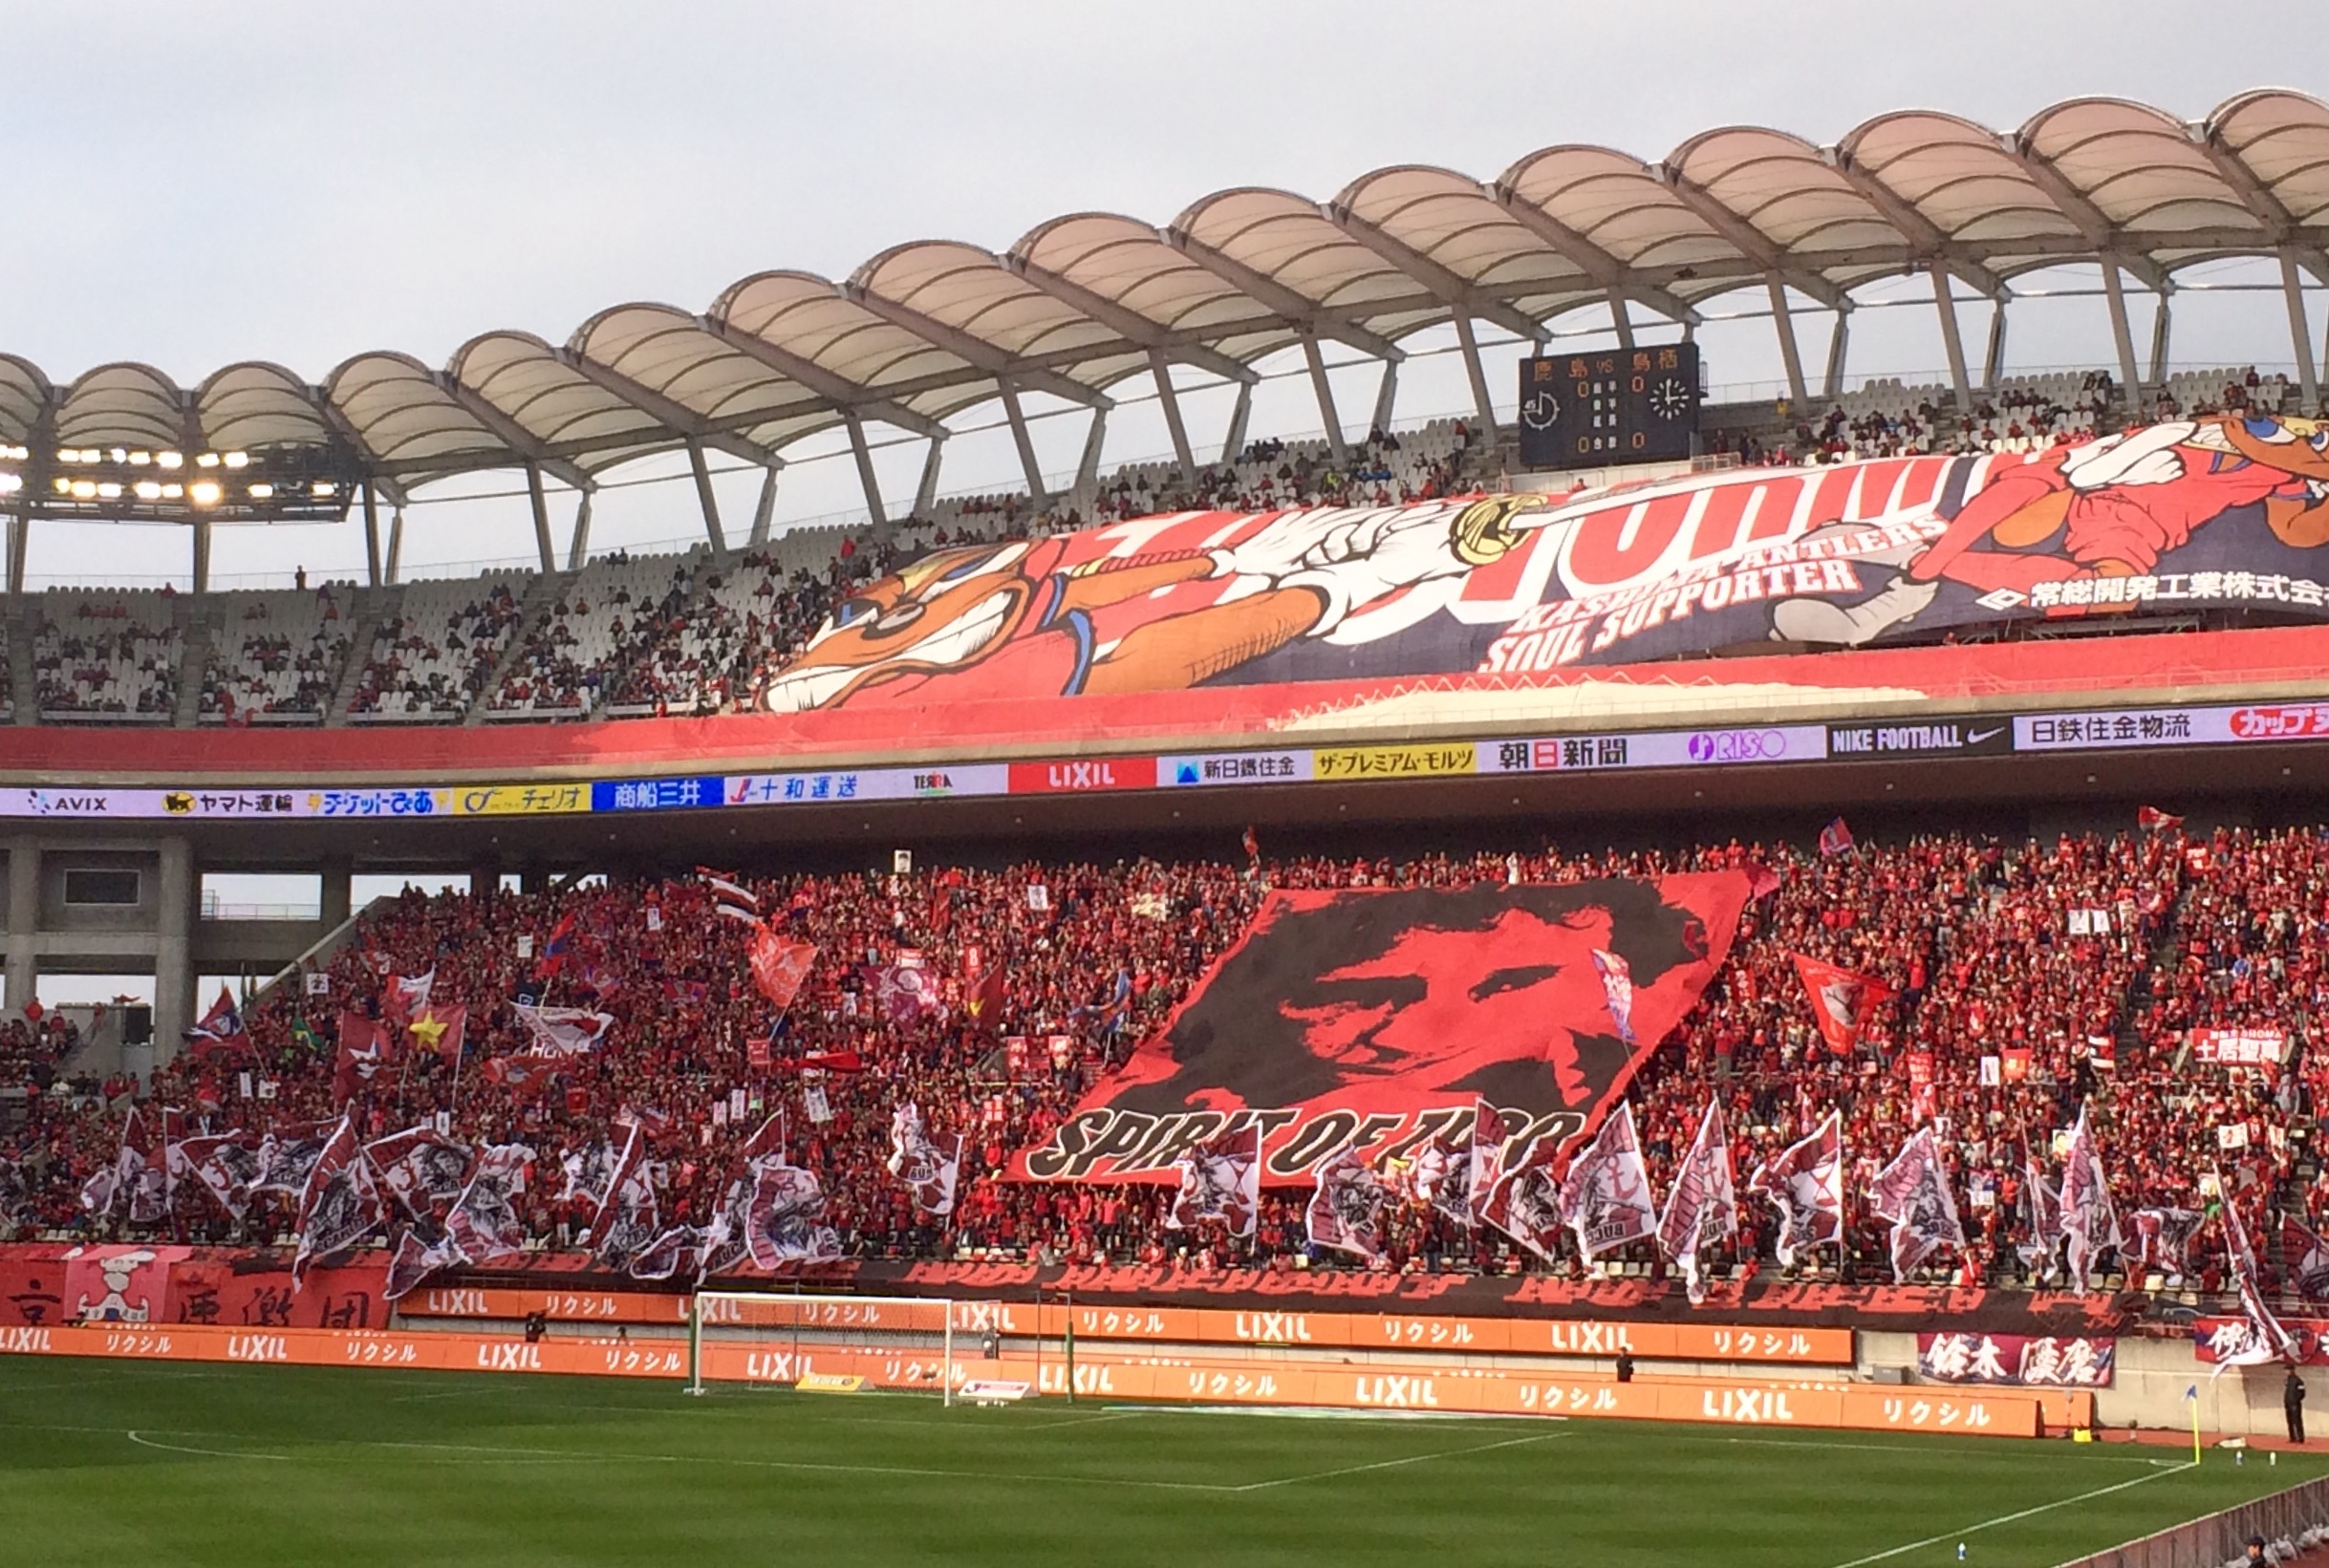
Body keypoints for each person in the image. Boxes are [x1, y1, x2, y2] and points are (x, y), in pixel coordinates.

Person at [2285, 1365, 2307, 1445]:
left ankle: (2300, 1438)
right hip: (2288, 1403)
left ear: (2292, 1370)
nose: (2287, 1372)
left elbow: (2302, 1392)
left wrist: (2296, 1400)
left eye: (2288, 1370)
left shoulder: (2298, 1380)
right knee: (2290, 1421)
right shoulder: (2288, 1380)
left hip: (2295, 1404)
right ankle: (2292, 1437)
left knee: (2297, 1421)